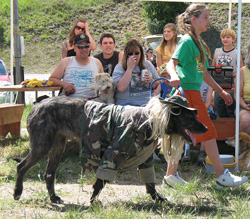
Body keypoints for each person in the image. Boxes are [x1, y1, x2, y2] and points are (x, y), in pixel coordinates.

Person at [165, 3, 247, 188]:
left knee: (182, 135)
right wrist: (174, 75)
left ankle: (171, 175)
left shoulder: (198, 43)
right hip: (188, 93)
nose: (209, 21)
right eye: (206, 17)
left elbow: (203, 72)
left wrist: (220, 91)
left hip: (192, 93)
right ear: (194, 19)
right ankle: (221, 177)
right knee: (208, 132)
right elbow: (171, 63)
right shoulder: (187, 41)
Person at [49, 33, 103, 98]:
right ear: (74, 48)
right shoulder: (66, 62)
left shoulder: (96, 62)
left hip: (91, 101)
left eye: (86, 46)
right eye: (80, 47)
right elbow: (51, 79)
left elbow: (105, 81)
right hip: (70, 101)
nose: (84, 50)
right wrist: (64, 84)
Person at [113, 39, 159, 106]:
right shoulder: (120, 67)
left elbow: (158, 84)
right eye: (130, 54)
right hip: (127, 104)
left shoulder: (148, 64)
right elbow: (121, 88)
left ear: (141, 53)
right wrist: (129, 69)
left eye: (137, 53)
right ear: (127, 55)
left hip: (147, 103)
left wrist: (151, 81)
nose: (134, 56)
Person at [212, 28, 243, 117]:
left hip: (231, 86)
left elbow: (241, 70)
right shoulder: (217, 51)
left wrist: (230, 75)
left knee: (231, 111)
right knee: (219, 110)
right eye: (223, 37)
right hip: (219, 86)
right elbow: (213, 66)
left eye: (228, 37)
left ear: (233, 39)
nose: (225, 39)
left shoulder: (237, 53)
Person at [234, 44, 250, 135]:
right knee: (245, 120)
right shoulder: (242, 71)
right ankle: (244, 148)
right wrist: (244, 105)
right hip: (244, 104)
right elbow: (237, 95)